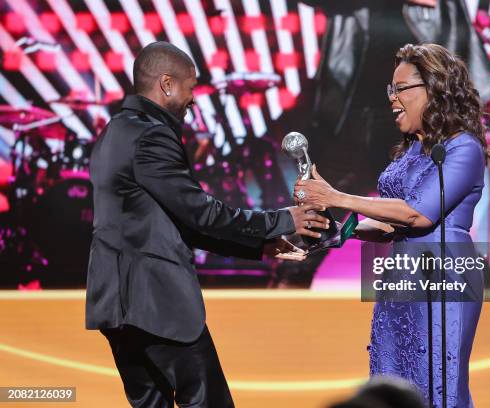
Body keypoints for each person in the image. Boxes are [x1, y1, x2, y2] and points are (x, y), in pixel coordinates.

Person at [85, 41, 329, 408]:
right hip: (157, 303)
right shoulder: (152, 134)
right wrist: (281, 219)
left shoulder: (114, 131)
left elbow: (178, 221)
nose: (193, 99)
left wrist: (258, 245)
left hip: (117, 308)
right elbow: (200, 212)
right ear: (167, 84)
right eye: (190, 87)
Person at [295, 43, 489, 406]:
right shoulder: (411, 150)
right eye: (391, 89)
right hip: (401, 275)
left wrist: (335, 196)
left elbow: (419, 214)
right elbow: (391, 225)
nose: (392, 98)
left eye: (401, 89)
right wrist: (339, 233)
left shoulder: (464, 148)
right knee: (393, 377)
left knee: (437, 383)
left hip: (443, 276)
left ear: (435, 89)